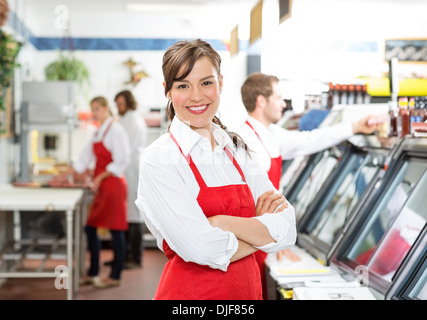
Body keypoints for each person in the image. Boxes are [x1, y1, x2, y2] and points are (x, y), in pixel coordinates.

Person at [135, 39, 297, 300]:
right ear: (168, 91)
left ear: (220, 83)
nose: (196, 96)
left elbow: (287, 229)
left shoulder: (237, 150)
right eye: (183, 85)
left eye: (206, 83)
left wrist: (220, 223)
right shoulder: (159, 159)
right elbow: (203, 249)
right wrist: (261, 232)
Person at [237, 72, 382, 299]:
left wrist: (353, 127)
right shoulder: (246, 140)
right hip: (254, 239)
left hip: (265, 237)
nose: (284, 104)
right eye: (278, 98)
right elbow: (252, 201)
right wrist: (276, 235)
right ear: (261, 101)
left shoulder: (271, 134)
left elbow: (311, 140)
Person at [52, 96, 131, 288]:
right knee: (91, 227)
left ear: (106, 109)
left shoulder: (116, 130)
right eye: (92, 109)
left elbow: (122, 160)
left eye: (97, 109)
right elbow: (83, 160)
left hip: (114, 186)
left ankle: (115, 276)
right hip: (104, 186)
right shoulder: (99, 133)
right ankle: (93, 271)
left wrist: (98, 177)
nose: (94, 113)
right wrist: (62, 175)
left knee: (116, 229)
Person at [114, 90, 147, 269]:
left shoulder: (133, 120)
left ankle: (136, 258)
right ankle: (125, 255)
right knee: (127, 214)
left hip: (131, 169)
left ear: (128, 102)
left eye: (120, 104)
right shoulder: (127, 119)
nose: (118, 108)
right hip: (127, 169)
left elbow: (126, 148)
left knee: (134, 214)